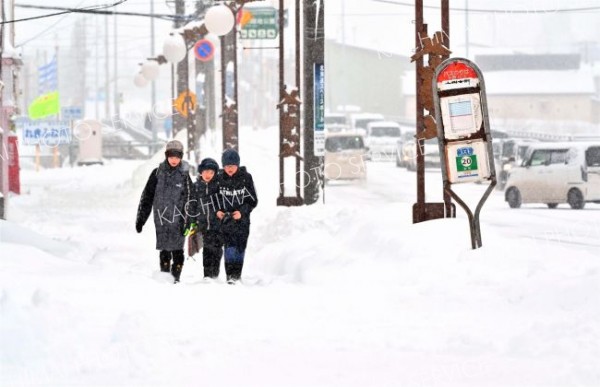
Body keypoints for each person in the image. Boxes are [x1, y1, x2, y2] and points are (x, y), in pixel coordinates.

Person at [135, 140, 193, 283]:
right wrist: (141, 219)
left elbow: (192, 199)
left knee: (178, 250)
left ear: (181, 157)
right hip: (162, 220)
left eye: (177, 156)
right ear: (166, 156)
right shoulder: (157, 174)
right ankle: (165, 278)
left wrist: (189, 221)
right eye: (171, 156)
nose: (174, 160)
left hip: (179, 220)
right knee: (165, 250)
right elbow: (147, 197)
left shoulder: (184, 176)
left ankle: (176, 279)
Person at [216, 148, 258, 284]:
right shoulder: (219, 178)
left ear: (238, 165)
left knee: (240, 248)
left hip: (242, 221)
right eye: (227, 166)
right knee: (229, 248)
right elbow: (212, 198)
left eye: (232, 166)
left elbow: (253, 200)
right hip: (226, 221)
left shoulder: (246, 178)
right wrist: (218, 211)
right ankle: (230, 277)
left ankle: (237, 275)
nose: (230, 169)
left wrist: (242, 212)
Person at [190, 157, 224, 279]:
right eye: (205, 172)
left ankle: (215, 274)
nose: (208, 175)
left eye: (211, 172)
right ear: (201, 172)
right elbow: (192, 205)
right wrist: (193, 222)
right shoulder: (196, 187)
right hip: (203, 225)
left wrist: (222, 213)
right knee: (207, 250)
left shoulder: (220, 186)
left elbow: (225, 203)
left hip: (218, 225)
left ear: (215, 173)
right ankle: (208, 276)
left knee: (217, 250)